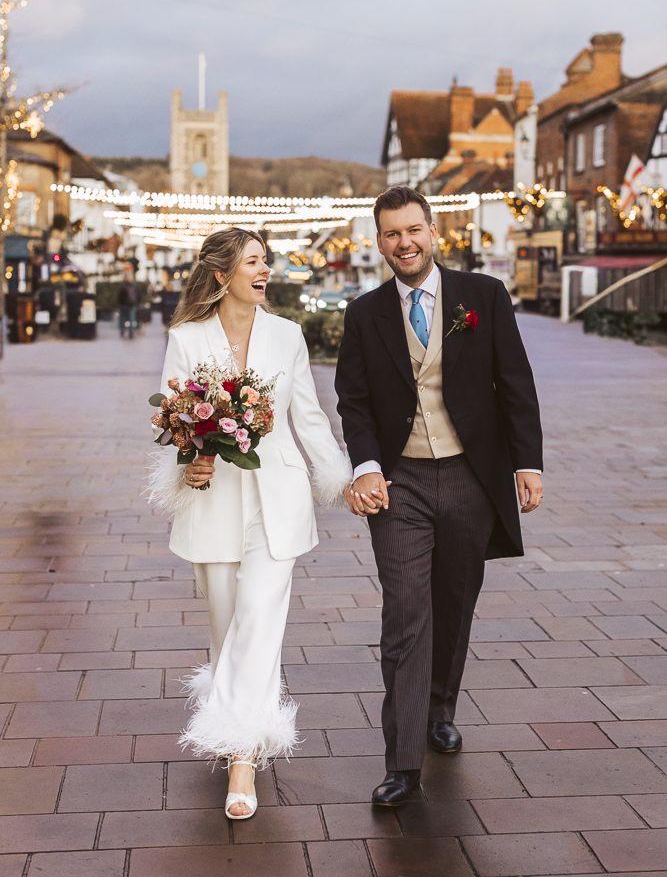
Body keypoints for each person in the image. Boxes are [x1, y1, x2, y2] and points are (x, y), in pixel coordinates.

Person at [335, 186, 543, 806]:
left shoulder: (483, 297)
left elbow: (516, 382)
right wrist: (367, 466)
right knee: (404, 614)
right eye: (392, 233)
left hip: (471, 476)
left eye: (414, 230)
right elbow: (355, 400)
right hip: (401, 484)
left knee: (454, 604)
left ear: (433, 232)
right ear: (379, 241)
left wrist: (527, 464)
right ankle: (402, 761)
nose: (405, 243)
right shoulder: (364, 313)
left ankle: (438, 711)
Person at [148, 228, 351, 819]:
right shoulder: (186, 338)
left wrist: (341, 475)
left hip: (278, 497)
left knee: (260, 617)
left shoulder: (287, 335)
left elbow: (309, 417)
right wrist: (189, 459)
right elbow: (173, 419)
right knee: (226, 627)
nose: (264, 271)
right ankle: (235, 720)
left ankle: (241, 760)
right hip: (212, 498)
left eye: (266, 261)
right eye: (251, 263)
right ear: (221, 275)